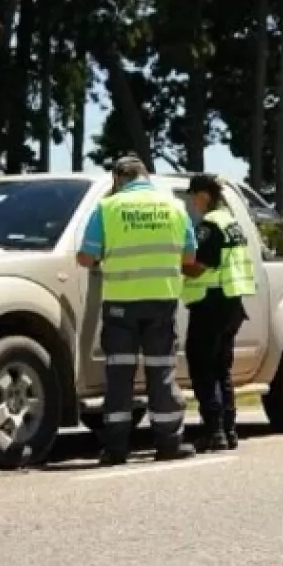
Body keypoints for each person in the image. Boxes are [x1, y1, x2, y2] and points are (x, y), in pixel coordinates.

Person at [77, 155, 197, 466]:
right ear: (146, 176)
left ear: (118, 178)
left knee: (119, 375)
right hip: (162, 301)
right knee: (161, 372)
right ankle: (169, 443)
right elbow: (189, 257)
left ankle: (116, 448)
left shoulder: (107, 208)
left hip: (120, 304)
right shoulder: (175, 207)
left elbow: (86, 258)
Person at [182, 173, 257, 453]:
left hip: (210, 303)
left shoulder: (210, 225)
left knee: (203, 369)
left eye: (193, 196)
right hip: (231, 304)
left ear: (204, 195)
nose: (192, 202)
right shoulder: (231, 223)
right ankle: (229, 430)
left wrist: (174, 264)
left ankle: (214, 432)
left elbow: (200, 266)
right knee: (221, 369)